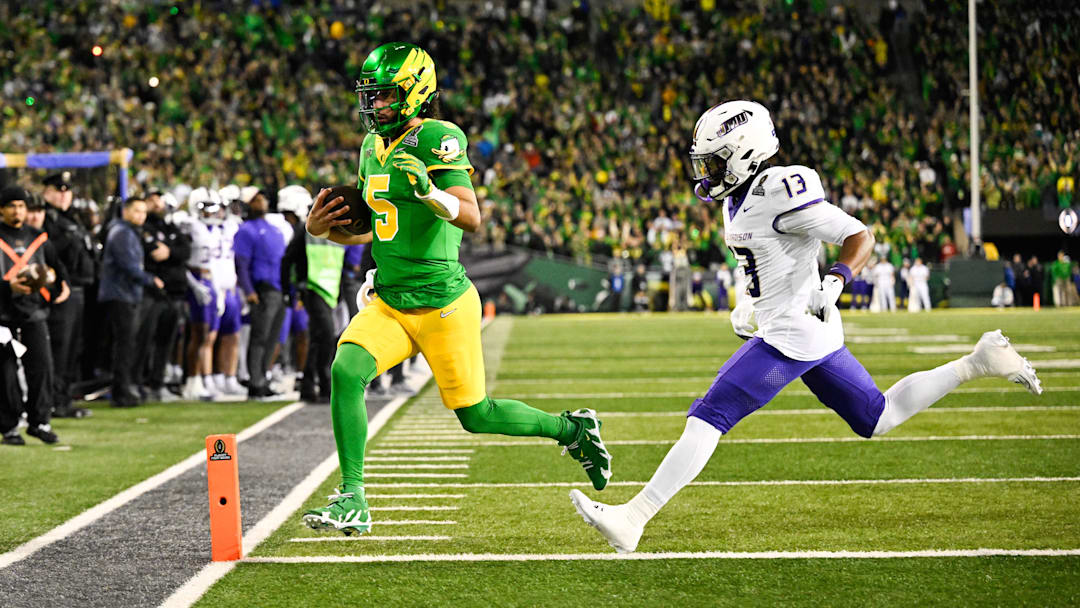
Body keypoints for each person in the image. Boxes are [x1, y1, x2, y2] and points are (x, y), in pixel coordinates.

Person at [568, 100, 1044, 553]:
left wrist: (837, 278)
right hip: (803, 330)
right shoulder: (738, 197)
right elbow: (762, 257)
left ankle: (634, 518)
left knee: (708, 415)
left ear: (743, 155)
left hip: (793, 333)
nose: (706, 174)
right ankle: (977, 362)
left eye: (714, 163)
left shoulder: (781, 188)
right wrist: (748, 303)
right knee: (876, 418)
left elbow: (859, 235)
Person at [301, 42, 610, 536]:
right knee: (346, 369)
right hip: (391, 301)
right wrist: (324, 229)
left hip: (443, 302)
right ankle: (352, 496)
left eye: (384, 96)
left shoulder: (439, 137)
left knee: (477, 415)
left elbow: (471, 216)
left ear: (415, 94)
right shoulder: (370, 147)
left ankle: (572, 429)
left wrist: (429, 190)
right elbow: (375, 225)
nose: (374, 105)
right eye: (371, 96)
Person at [0, 186, 68, 444]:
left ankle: (39, 421)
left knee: (41, 367)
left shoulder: (38, 237)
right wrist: (8, 286)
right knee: (5, 372)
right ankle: (9, 427)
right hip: (2, 316)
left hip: (34, 312)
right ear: (2, 210)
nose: (17, 211)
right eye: (11, 206)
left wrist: (58, 281)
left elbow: (56, 267)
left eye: (21, 206)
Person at [281, 184, 345, 403]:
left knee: (320, 338)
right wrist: (288, 289)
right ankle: (325, 385)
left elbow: (339, 262)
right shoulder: (305, 229)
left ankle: (309, 386)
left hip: (330, 288)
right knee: (326, 336)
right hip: (312, 287)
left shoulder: (337, 230)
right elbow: (288, 258)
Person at [99, 198, 163, 407]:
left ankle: (124, 388)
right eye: (136, 211)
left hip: (127, 293)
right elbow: (128, 266)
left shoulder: (129, 232)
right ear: (125, 211)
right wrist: (150, 279)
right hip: (120, 294)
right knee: (124, 345)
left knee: (127, 344)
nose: (141, 216)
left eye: (143, 212)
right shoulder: (121, 233)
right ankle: (120, 391)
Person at [41, 172, 95, 418]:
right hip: (61, 291)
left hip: (79, 290)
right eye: (58, 190)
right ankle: (53, 400)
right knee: (60, 349)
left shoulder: (71, 218)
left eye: (66, 190)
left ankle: (63, 399)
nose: (63, 195)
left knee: (73, 349)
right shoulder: (45, 219)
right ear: (47, 191)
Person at [133, 191, 191, 401]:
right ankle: (140, 382)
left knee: (166, 341)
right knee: (145, 340)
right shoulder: (143, 229)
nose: (157, 204)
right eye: (152, 201)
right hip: (153, 293)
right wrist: (170, 252)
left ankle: (157, 382)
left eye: (159, 201)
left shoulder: (169, 226)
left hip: (174, 293)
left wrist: (171, 252)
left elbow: (185, 250)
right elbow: (152, 251)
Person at [233, 186, 288, 398]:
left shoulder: (274, 229)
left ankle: (263, 377)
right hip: (261, 289)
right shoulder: (246, 231)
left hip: (277, 288)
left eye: (263, 198)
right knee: (260, 337)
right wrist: (248, 290)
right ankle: (255, 382)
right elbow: (242, 264)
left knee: (273, 338)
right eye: (256, 200)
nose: (262, 202)